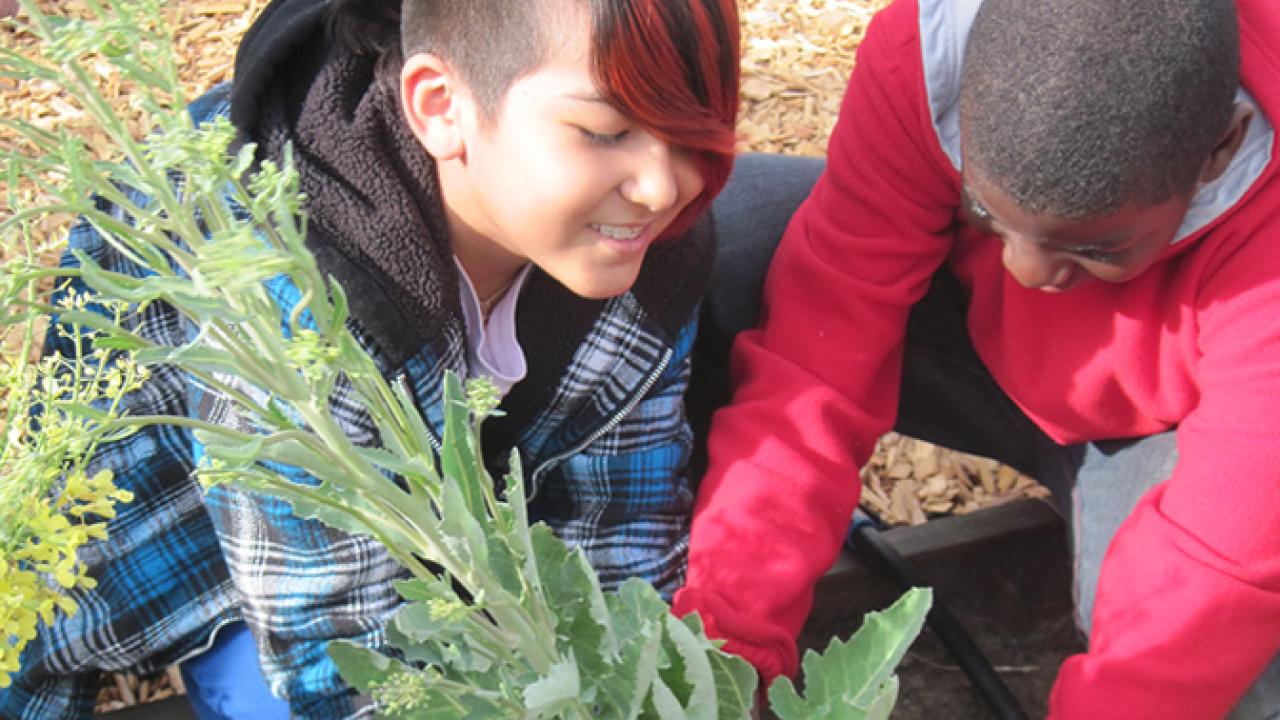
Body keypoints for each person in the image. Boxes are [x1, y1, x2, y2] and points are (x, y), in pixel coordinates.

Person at [0, 0, 739, 716]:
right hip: (224, 555)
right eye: (606, 130)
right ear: (441, 105)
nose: (661, 186)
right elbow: (331, 647)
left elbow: (618, 530)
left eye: (690, 136)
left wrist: (624, 690)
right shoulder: (293, 285)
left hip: (451, 531)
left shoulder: (646, 256)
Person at [674, 0, 1280, 717]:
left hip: (1177, 425)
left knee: (1222, 667)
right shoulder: (931, 53)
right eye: (987, 214)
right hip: (968, 333)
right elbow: (816, 364)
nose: (1026, 272)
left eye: (1095, 248)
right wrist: (725, 650)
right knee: (709, 239)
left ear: (1221, 147)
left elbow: (1222, 559)